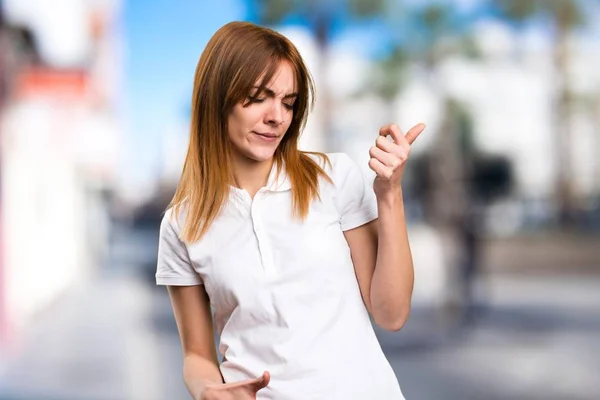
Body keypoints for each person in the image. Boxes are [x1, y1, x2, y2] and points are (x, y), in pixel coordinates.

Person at [156, 20, 425, 400]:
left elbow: (392, 313)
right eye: (258, 96)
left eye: (288, 102)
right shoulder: (182, 223)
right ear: (218, 97)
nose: (277, 117)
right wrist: (207, 391)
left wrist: (389, 192)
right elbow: (197, 355)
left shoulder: (334, 178)